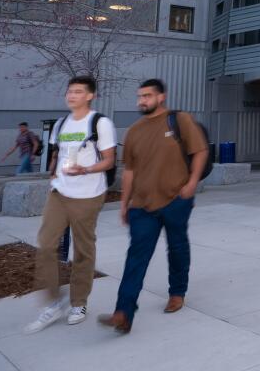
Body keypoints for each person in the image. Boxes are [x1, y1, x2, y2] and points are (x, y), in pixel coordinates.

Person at [99, 79, 208, 334]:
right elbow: (129, 171)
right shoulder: (135, 130)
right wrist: (124, 204)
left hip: (175, 199)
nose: (142, 101)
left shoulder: (179, 120)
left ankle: (177, 292)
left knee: (177, 247)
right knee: (136, 256)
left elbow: (201, 150)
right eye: (139, 97)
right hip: (142, 205)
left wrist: (191, 183)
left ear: (161, 97)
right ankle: (123, 312)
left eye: (147, 96)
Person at [23, 75, 116, 333]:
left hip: (88, 195)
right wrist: (54, 174)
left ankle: (79, 302)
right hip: (60, 193)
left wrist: (85, 170)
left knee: (83, 250)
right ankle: (53, 303)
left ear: (90, 95)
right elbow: (56, 152)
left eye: (77, 91)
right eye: (69, 91)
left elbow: (109, 160)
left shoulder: (100, 123)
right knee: (46, 245)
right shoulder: (61, 123)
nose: (71, 95)